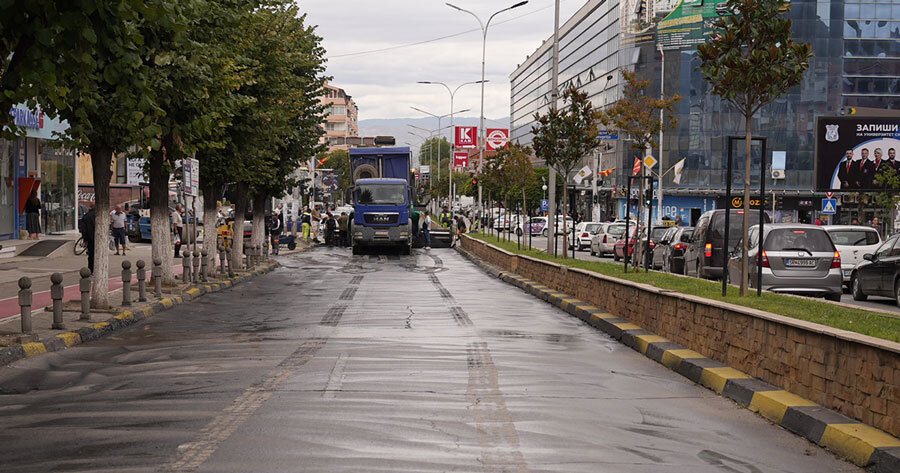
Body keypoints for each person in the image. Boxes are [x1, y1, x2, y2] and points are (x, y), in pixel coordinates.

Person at [78, 205, 96, 274]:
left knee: (91, 255)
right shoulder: (98, 215)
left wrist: (85, 239)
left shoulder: (86, 216)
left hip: (89, 238)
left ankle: (91, 270)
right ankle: (97, 268)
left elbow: (83, 229)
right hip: (97, 238)